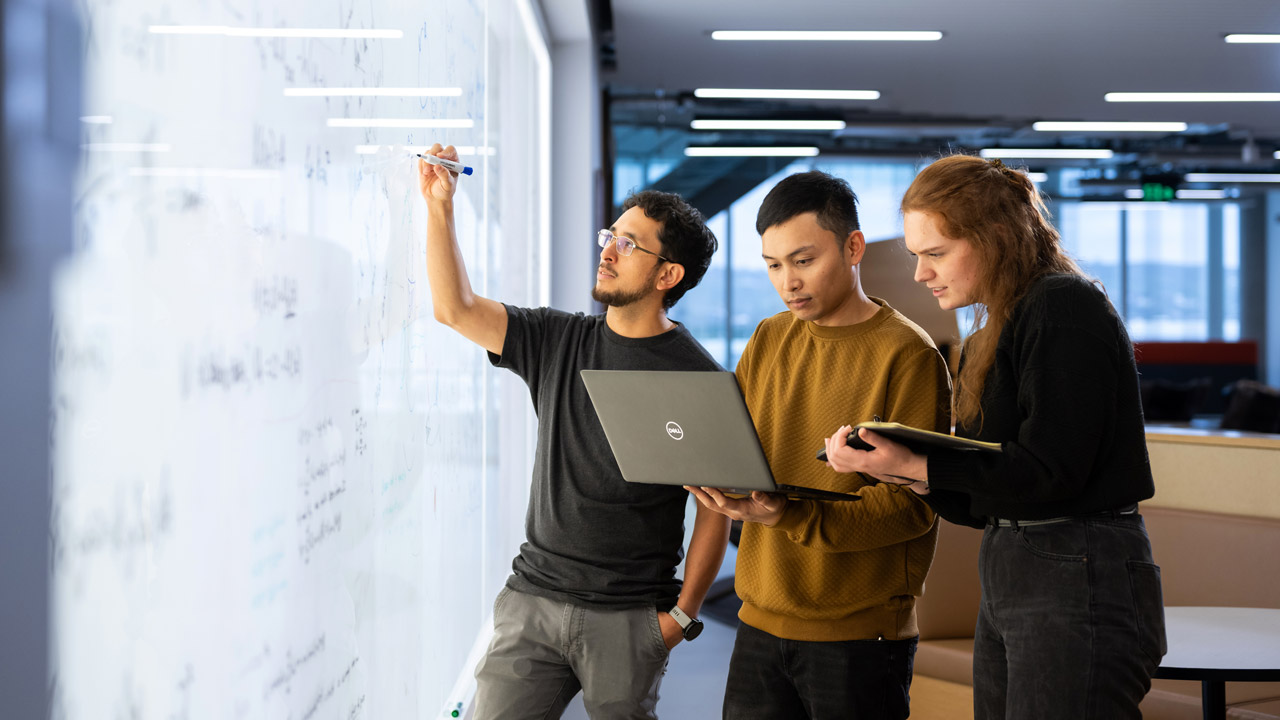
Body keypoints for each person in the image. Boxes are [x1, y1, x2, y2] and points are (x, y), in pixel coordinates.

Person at [823, 154, 1167, 719]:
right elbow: (991, 500)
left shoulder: (1063, 305)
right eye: (916, 256)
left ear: (996, 238)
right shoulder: (1005, 322)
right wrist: (898, 469)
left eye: (935, 254)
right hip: (1019, 562)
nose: (920, 273)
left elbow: (1051, 474)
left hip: (1079, 566)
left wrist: (917, 468)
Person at [417, 144, 732, 720]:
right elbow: (454, 308)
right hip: (532, 600)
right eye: (610, 235)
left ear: (668, 274)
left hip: (629, 616)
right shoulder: (556, 340)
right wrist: (440, 208)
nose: (609, 250)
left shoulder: (697, 377)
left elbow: (717, 508)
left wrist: (682, 617)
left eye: (629, 244)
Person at [686, 170, 952, 720]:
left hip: (859, 636)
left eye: (804, 261)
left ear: (853, 247)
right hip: (758, 621)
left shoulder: (908, 355)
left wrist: (787, 514)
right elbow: (739, 450)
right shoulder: (768, 338)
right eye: (774, 265)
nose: (788, 283)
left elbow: (913, 510)